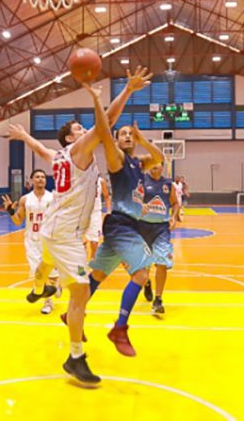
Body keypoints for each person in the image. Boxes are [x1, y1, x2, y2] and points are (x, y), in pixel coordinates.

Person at [6, 65, 151, 385]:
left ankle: (39, 285)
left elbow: (40, 149)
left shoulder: (58, 155)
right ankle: (74, 358)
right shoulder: (78, 149)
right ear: (72, 136)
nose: (86, 128)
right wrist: (125, 91)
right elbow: (107, 123)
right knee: (81, 290)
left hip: (53, 230)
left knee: (46, 264)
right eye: (80, 127)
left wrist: (23, 135)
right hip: (64, 235)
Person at [86, 83, 164, 357]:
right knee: (142, 274)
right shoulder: (116, 159)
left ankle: (75, 311)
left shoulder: (137, 163)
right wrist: (99, 101)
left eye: (130, 133)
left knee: (96, 275)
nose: (128, 136)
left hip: (128, 226)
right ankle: (119, 327)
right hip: (120, 223)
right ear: (117, 141)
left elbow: (160, 158)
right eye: (124, 134)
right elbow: (104, 132)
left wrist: (143, 139)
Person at [2, 169, 59, 315]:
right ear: (32, 180)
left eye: (42, 177)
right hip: (32, 240)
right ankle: (48, 302)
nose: (40, 179)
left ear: (46, 180)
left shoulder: (53, 197)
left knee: (52, 275)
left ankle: (57, 284)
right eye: (37, 177)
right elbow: (17, 221)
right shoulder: (25, 199)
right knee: (38, 274)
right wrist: (10, 210)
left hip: (49, 240)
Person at [138, 162, 180, 315]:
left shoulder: (168, 184)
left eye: (157, 162)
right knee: (143, 267)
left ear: (163, 166)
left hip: (161, 228)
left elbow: (175, 204)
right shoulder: (141, 180)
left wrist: (174, 217)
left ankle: (158, 299)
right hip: (143, 227)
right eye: (152, 162)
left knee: (161, 263)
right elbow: (131, 200)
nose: (154, 165)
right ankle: (147, 283)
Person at [83, 176, 111, 260]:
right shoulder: (79, 178)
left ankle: (93, 264)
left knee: (94, 243)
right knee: (81, 243)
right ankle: (81, 269)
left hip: (95, 214)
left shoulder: (101, 181)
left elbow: (106, 196)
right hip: (82, 214)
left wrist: (108, 210)